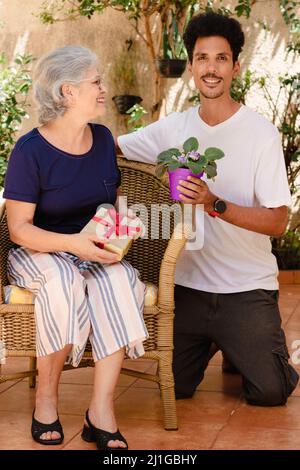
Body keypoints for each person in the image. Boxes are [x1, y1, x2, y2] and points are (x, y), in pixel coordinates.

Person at [117, 12, 299, 406]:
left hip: (246, 289)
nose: (211, 68)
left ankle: (248, 348)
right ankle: (230, 346)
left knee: (269, 392)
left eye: (220, 58)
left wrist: (213, 203)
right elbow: (114, 147)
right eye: (202, 58)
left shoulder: (261, 134)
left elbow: (278, 221)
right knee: (173, 388)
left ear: (235, 66)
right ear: (191, 66)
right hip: (190, 290)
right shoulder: (172, 129)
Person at [3, 45, 148, 449]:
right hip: (40, 250)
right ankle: (45, 400)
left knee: (119, 280)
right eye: (96, 82)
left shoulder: (102, 139)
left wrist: (123, 226)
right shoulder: (30, 151)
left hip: (92, 248)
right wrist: (74, 245)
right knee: (62, 278)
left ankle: (100, 412)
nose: (104, 89)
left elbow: (112, 203)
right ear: (67, 91)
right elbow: (19, 230)